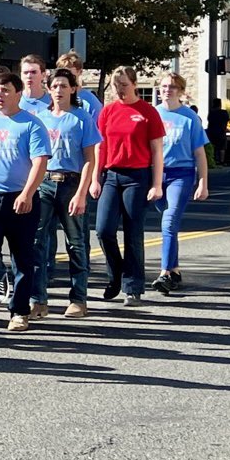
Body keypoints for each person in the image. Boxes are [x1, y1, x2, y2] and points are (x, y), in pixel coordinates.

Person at [0, 69, 50, 335]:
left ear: (18, 93)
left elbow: (40, 161)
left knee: (23, 258)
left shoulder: (31, 124)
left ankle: (19, 312)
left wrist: (27, 193)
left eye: (5, 90)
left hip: (21, 200)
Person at [91, 65, 165, 305]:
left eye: (124, 85)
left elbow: (156, 150)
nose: (120, 90)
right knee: (103, 229)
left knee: (133, 232)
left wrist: (156, 184)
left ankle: (133, 286)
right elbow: (99, 147)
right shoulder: (108, 111)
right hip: (111, 174)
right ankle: (116, 274)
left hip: (137, 176)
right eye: (116, 86)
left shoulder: (147, 112)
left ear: (134, 84)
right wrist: (95, 178)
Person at [33, 68, 101, 319]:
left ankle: (78, 299)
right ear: (48, 89)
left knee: (76, 243)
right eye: (54, 86)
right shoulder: (40, 118)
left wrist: (81, 193)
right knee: (37, 242)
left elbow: (89, 159)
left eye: (64, 86)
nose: (59, 91)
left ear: (73, 89)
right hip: (45, 183)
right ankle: (38, 299)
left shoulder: (82, 118)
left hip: (71, 183)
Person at [151, 74, 210, 295]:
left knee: (169, 221)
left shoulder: (189, 118)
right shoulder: (153, 114)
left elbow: (199, 153)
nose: (168, 90)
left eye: (173, 87)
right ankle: (175, 269)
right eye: (164, 86)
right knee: (170, 225)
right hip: (156, 174)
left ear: (181, 91)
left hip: (181, 174)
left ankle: (164, 273)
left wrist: (203, 182)